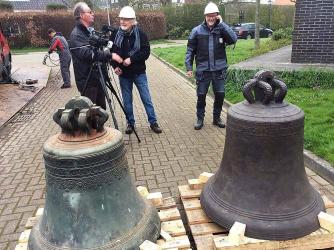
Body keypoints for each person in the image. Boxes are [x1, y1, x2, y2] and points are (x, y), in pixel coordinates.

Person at [185, 2, 237, 130]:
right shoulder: (196, 31)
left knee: (220, 95)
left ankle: (216, 118)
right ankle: (200, 118)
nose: (211, 18)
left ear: (217, 16)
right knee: (201, 95)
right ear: (205, 16)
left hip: (219, 70)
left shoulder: (222, 29)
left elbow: (233, 39)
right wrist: (189, 67)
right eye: (208, 16)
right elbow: (190, 50)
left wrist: (222, 24)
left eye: (213, 15)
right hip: (203, 71)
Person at [111, 6, 162, 134]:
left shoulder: (141, 34)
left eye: (126, 19)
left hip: (139, 73)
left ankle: (153, 122)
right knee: (127, 101)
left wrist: (131, 59)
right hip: (124, 75)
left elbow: (146, 52)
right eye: (121, 19)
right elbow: (110, 52)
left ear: (133, 21)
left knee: (146, 99)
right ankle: (130, 123)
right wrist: (115, 66)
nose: (123, 21)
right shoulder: (114, 34)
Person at [69, 2, 123, 109]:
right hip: (88, 81)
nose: (93, 14)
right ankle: (94, 127)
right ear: (81, 15)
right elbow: (89, 54)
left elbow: (97, 50)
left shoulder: (89, 32)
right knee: (90, 113)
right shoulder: (76, 35)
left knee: (101, 110)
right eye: (89, 12)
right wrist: (110, 55)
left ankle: (99, 126)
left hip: (98, 77)